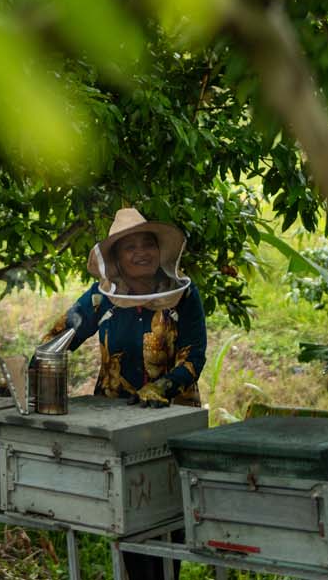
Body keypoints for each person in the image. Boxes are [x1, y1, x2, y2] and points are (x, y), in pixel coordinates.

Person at [42, 206, 208, 580]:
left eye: (147, 244)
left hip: (172, 417)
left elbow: (194, 355)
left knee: (168, 513)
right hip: (114, 421)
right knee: (129, 514)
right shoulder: (101, 298)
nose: (140, 253)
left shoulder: (183, 294)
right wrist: (34, 367)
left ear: (159, 250)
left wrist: (164, 386)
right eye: (129, 247)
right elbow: (63, 335)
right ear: (116, 258)